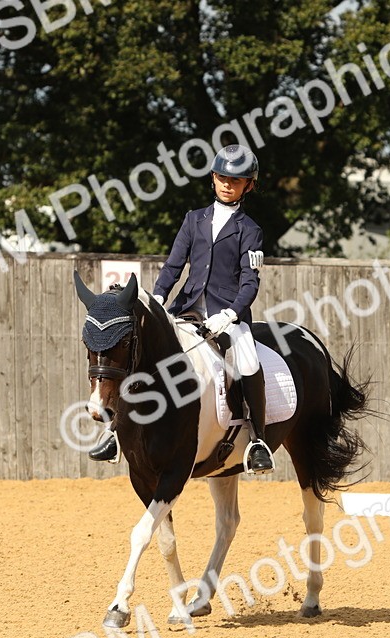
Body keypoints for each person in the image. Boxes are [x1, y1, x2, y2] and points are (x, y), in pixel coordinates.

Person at [89, 143, 274, 474]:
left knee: (248, 359)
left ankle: (258, 440)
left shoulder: (251, 230)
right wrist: (159, 298)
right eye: (222, 177)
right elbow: (174, 266)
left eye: (236, 180)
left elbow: (250, 282)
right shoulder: (193, 220)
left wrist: (231, 314)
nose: (227, 184)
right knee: (143, 353)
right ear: (213, 178)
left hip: (226, 316)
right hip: (186, 308)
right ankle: (116, 431)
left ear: (248, 185)